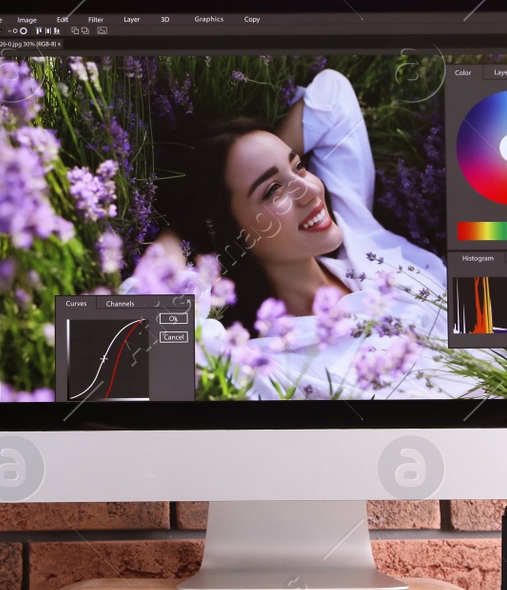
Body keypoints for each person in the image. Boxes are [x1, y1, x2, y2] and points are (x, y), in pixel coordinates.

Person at [140, 69, 487, 400]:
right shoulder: (271, 365)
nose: (308, 190)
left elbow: (333, 96)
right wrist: (187, 229)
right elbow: (143, 343)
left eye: (298, 166)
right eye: (273, 190)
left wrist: (256, 153)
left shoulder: (360, 238)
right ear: (233, 233)